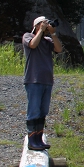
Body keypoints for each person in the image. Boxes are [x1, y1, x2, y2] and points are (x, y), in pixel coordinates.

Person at [22, 16, 63, 151]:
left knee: (42, 111)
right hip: (33, 80)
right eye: (43, 24)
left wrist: (53, 33)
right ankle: (32, 140)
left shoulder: (48, 40)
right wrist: (40, 30)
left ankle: (39, 139)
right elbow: (33, 44)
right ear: (37, 25)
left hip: (47, 80)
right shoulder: (28, 36)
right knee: (33, 110)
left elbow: (59, 49)